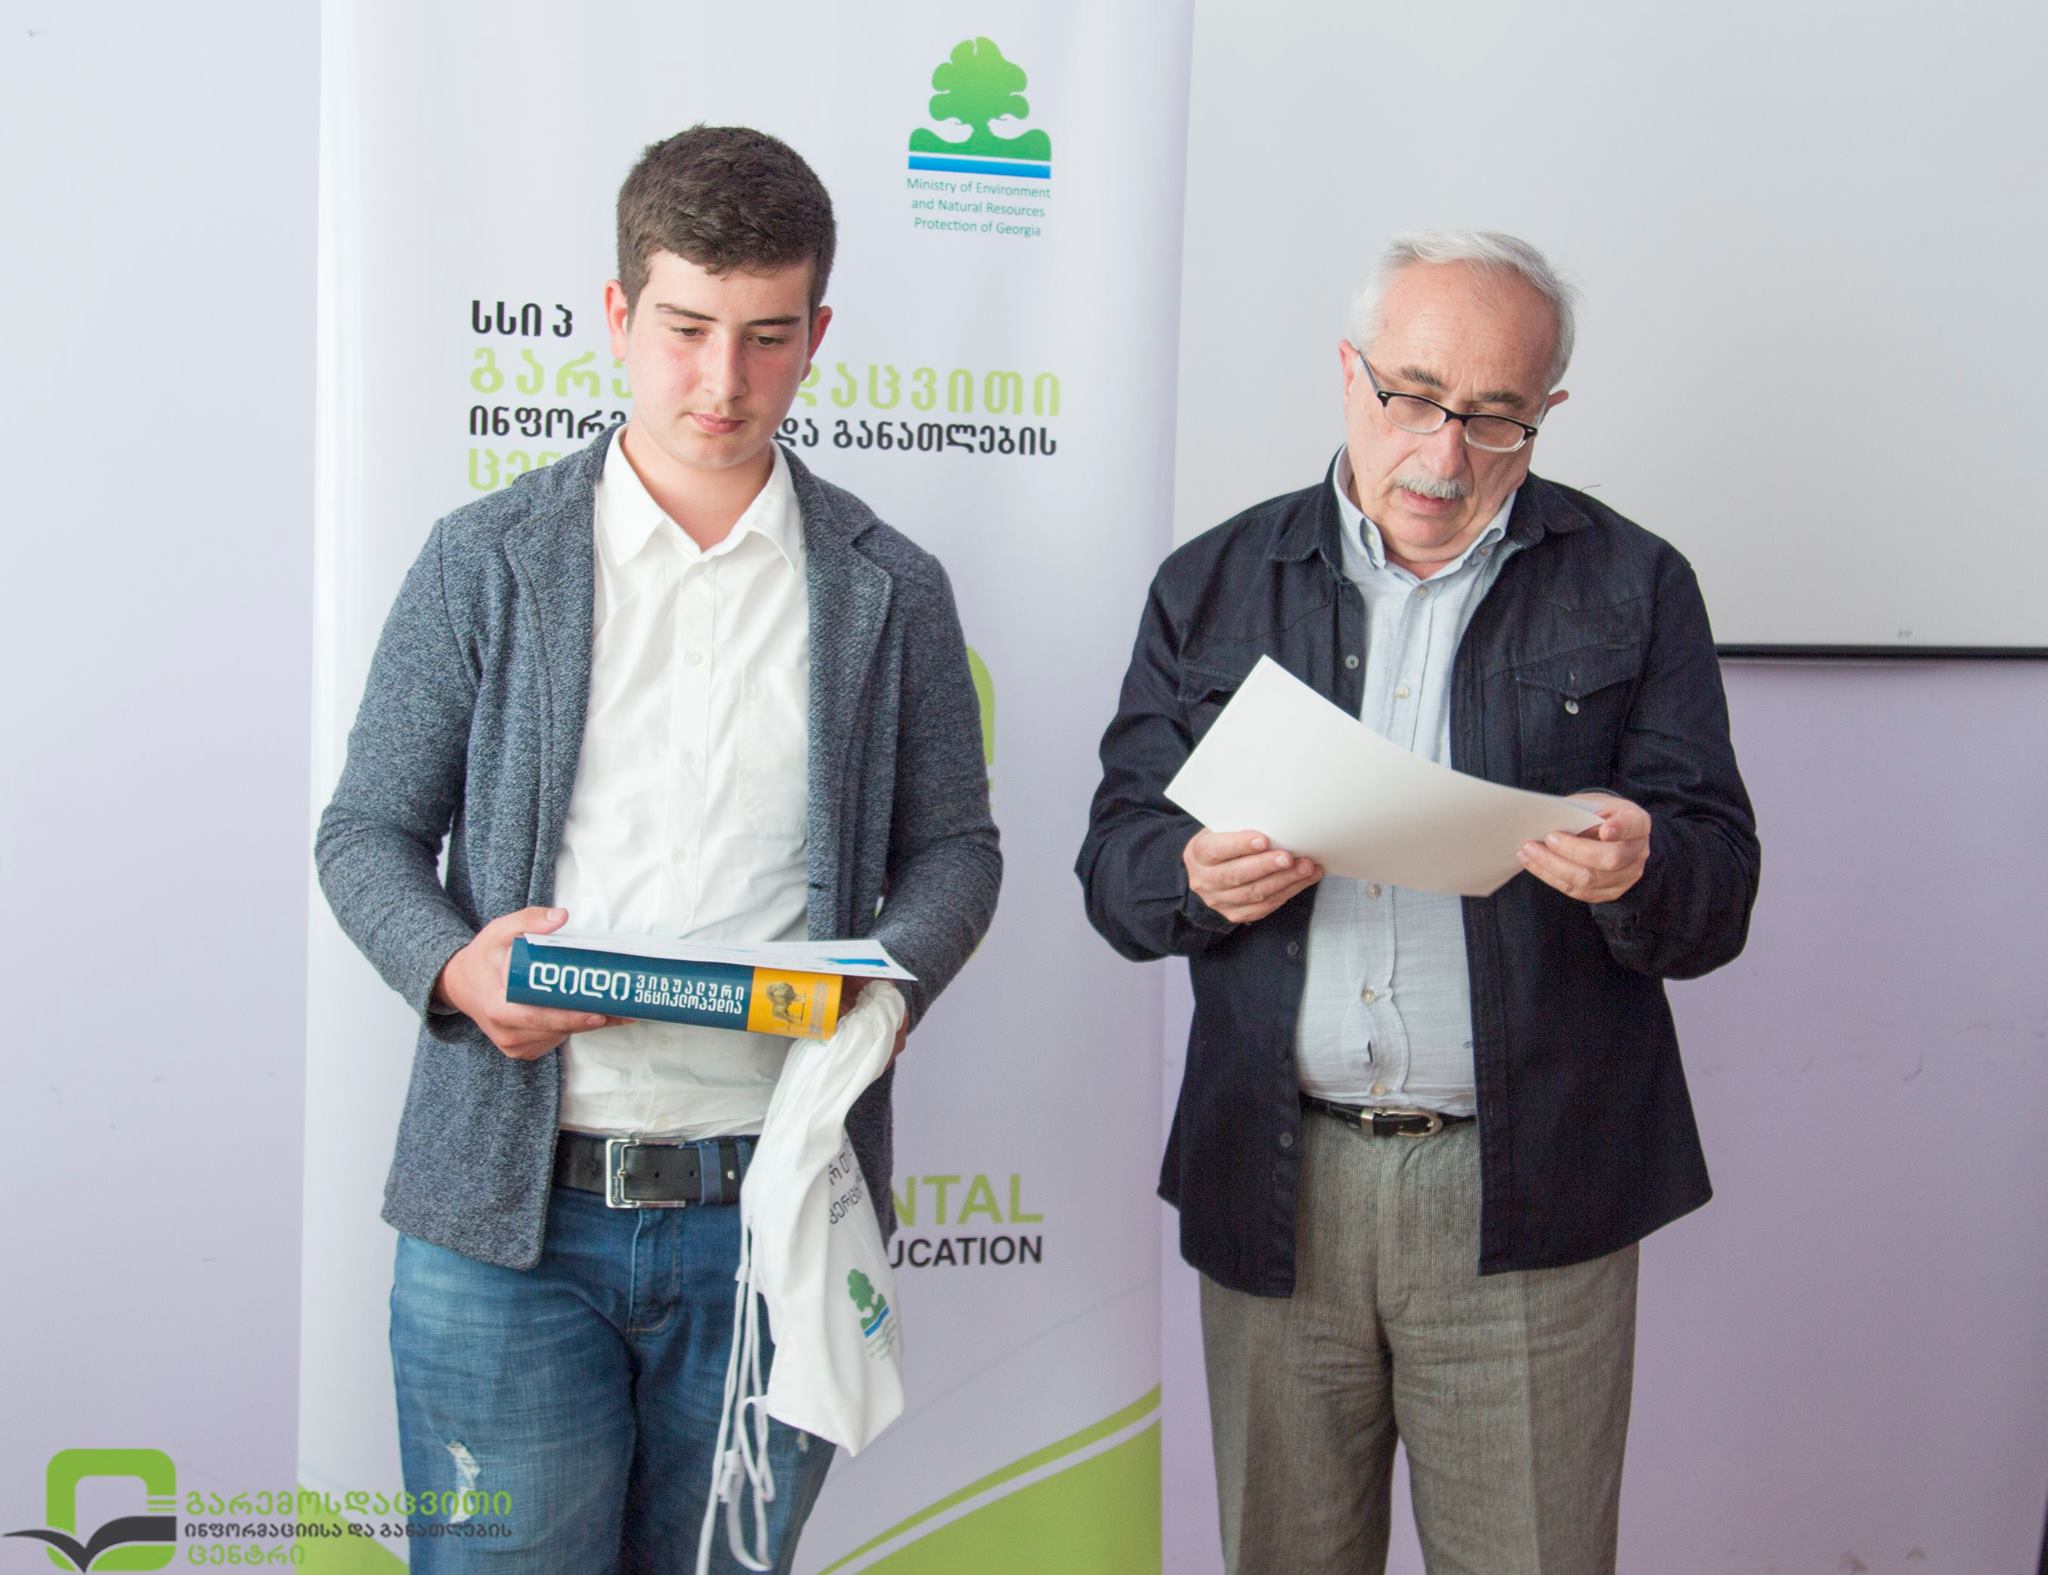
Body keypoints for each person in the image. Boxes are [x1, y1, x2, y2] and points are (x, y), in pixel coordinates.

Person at [317, 125, 1000, 1573]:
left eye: (767, 338)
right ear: (619, 315)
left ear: (819, 336)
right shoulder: (484, 559)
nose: (722, 383)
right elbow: (366, 832)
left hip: (774, 1219)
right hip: (507, 1224)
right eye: (686, 330)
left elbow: (955, 849)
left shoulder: (890, 588)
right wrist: (456, 968)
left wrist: (889, 988)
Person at [1076, 230, 1757, 1575]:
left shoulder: (1635, 585)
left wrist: (1643, 868)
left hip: (1531, 1193)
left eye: (1498, 419)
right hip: (1277, 1177)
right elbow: (1116, 865)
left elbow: (1718, 887)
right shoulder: (1212, 584)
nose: (1446, 455)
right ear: (1350, 374)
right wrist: (1190, 879)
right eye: (1414, 399)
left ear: (1548, 411)